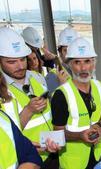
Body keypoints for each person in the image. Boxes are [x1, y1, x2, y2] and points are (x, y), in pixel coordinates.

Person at [0, 27, 58, 165]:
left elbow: (49, 116)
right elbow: (6, 133)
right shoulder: (2, 92)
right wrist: (29, 111)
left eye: (22, 59)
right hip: (27, 160)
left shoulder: (38, 77)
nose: (20, 66)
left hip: (52, 153)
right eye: (11, 62)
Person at [51, 37, 101, 169]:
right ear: (69, 64)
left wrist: (99, 126)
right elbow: (57, 135)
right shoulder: (61, 95)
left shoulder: (100, 87)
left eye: (87, 61)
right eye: (77, 62)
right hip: (74, 163)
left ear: (94, 63)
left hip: (97, 156)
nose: (83, 68)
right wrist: (79, 136)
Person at [45, 26, 79, 93]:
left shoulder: (82, 72)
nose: (70, 54)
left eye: (73, 49)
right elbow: (51, 102)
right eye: (65, 50)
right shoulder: (52, 76)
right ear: (60, 53)